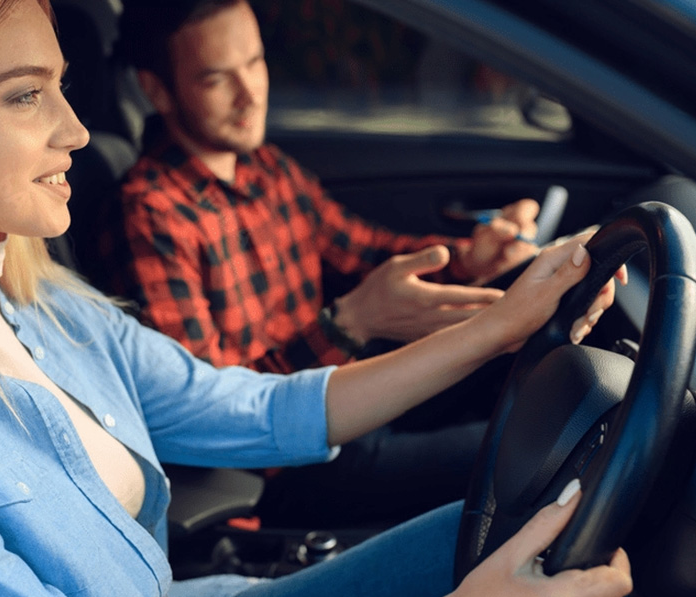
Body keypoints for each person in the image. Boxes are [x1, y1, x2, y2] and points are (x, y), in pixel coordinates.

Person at [0, 0, 685, 597]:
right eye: (27, 96)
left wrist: (497, 328)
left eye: (63, 87)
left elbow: (258, 407)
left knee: (515, 541)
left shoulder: (44, 304)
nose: (76, 129)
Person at [89, 0, 546, 527]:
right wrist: (347, 325)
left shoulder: (266, 168)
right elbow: (209, 413)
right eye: (216, 79)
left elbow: (367, 250)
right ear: (157, 91)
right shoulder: (149, 214)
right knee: (532, 445)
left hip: (352, 392)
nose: (250, 93)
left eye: (255, 63)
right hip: (283, 466)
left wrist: (468, 257)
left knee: (529, 366)